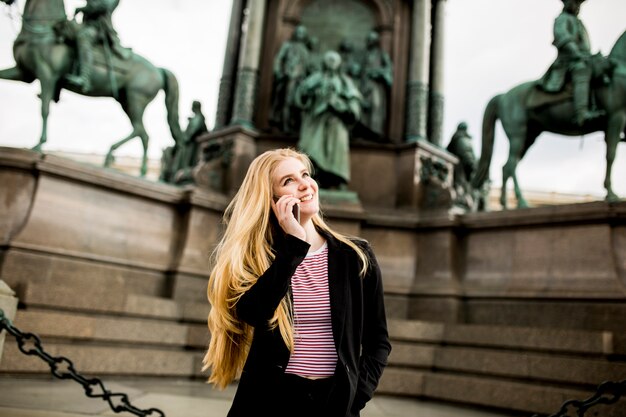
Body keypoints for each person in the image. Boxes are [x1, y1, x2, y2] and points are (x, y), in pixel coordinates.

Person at [202, 148, 391, 417]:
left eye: (304, 174)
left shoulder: (356, 256)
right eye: (288, 181)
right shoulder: (259, 259)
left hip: (334, 403)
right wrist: (294, 247)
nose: (305, 184)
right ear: (271, 199)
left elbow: (378, 340)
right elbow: (252, 313)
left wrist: (356, 394)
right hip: (269, 402)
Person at [295, 51, 362, 189]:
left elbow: (354, 104)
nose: (331, 63)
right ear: (324, 62)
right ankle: (314, 177)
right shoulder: (315, 78)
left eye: (334, 60)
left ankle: (335, 180)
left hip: (336, 122)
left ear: (339, 64)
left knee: (336, 151)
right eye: (329, 60)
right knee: (311, 148)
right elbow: (301, 95)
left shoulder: (345, 82)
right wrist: (310, 94)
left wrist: (342, 106)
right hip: (316, 120)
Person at [541, 0, 603, 125]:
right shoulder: (562, 19)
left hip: (585, 57)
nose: (577, 7)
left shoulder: (578, 22)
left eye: (579, 4)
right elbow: (564, 38)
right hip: (568, 61)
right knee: (581, 69)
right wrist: (576, 54)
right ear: (568, 3)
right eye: (575, 3)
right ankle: (581, 112)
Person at [66, 0, 131, 92]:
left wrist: (83, 9)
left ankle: (85, 79)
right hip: (85, 25)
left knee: (84, 37)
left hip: (99, 29)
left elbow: (103, 6)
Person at [270, 25, 311, 134]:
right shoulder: (288, 45)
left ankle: (295, 127)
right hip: (290, 77)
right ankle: (285, 126)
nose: (300, 34)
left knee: (297, 105)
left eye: (303, 32)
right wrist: (278, 72)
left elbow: (307, 67)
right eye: (298, 31)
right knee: (287, 103)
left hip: (301, 80)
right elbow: (279, 59)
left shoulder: (305, 50)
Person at [360, 31, 393, 136]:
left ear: (375, 41)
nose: (368, 42)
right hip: (365, 85)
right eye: (368, 39)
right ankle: (364, 131)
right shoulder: (366, 55)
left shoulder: (381, 54)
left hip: (376, 86)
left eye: (370, 40)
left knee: (376, 107)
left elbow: (389, 68)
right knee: (364, 107)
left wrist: (377, 73)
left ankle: (375, 132)